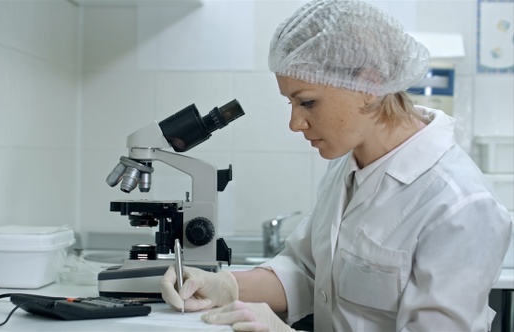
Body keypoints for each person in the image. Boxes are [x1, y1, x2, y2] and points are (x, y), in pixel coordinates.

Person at [160, 0, 513, 331]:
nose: (295, 123)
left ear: (369, 84)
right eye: (291, 103)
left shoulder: (460, 206)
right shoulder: (350, 164)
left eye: (308, 103)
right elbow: (309, 271)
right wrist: (226, 285)